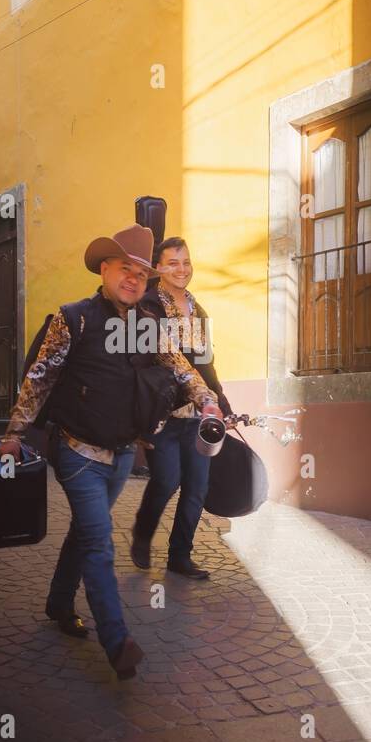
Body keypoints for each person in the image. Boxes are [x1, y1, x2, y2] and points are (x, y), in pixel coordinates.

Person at [0, 224, 223, 680]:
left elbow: (181, 368)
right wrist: (15, 433)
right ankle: (117, 641)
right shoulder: (73, 318)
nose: (134, 280)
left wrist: (208, 400)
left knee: (84, 533)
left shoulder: (149, 325)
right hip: (76, 451)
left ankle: (59, 604)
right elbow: (39, 377)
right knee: (99, 541)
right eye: (126, 270)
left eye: (142, 274)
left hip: (122, 454)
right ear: (105, 269)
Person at [130, 237, 233, 581]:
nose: (181, 269)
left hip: (198, 416)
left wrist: (221, 404)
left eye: (186, 262)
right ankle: (143, 534)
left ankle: (179, 556)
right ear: (158, 267)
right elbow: (147, 361)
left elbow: (207, 365)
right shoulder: (146, 305)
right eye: (173, 262)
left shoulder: (196, 309)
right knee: (166, 479)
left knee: (197, 486)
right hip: (163, 414)